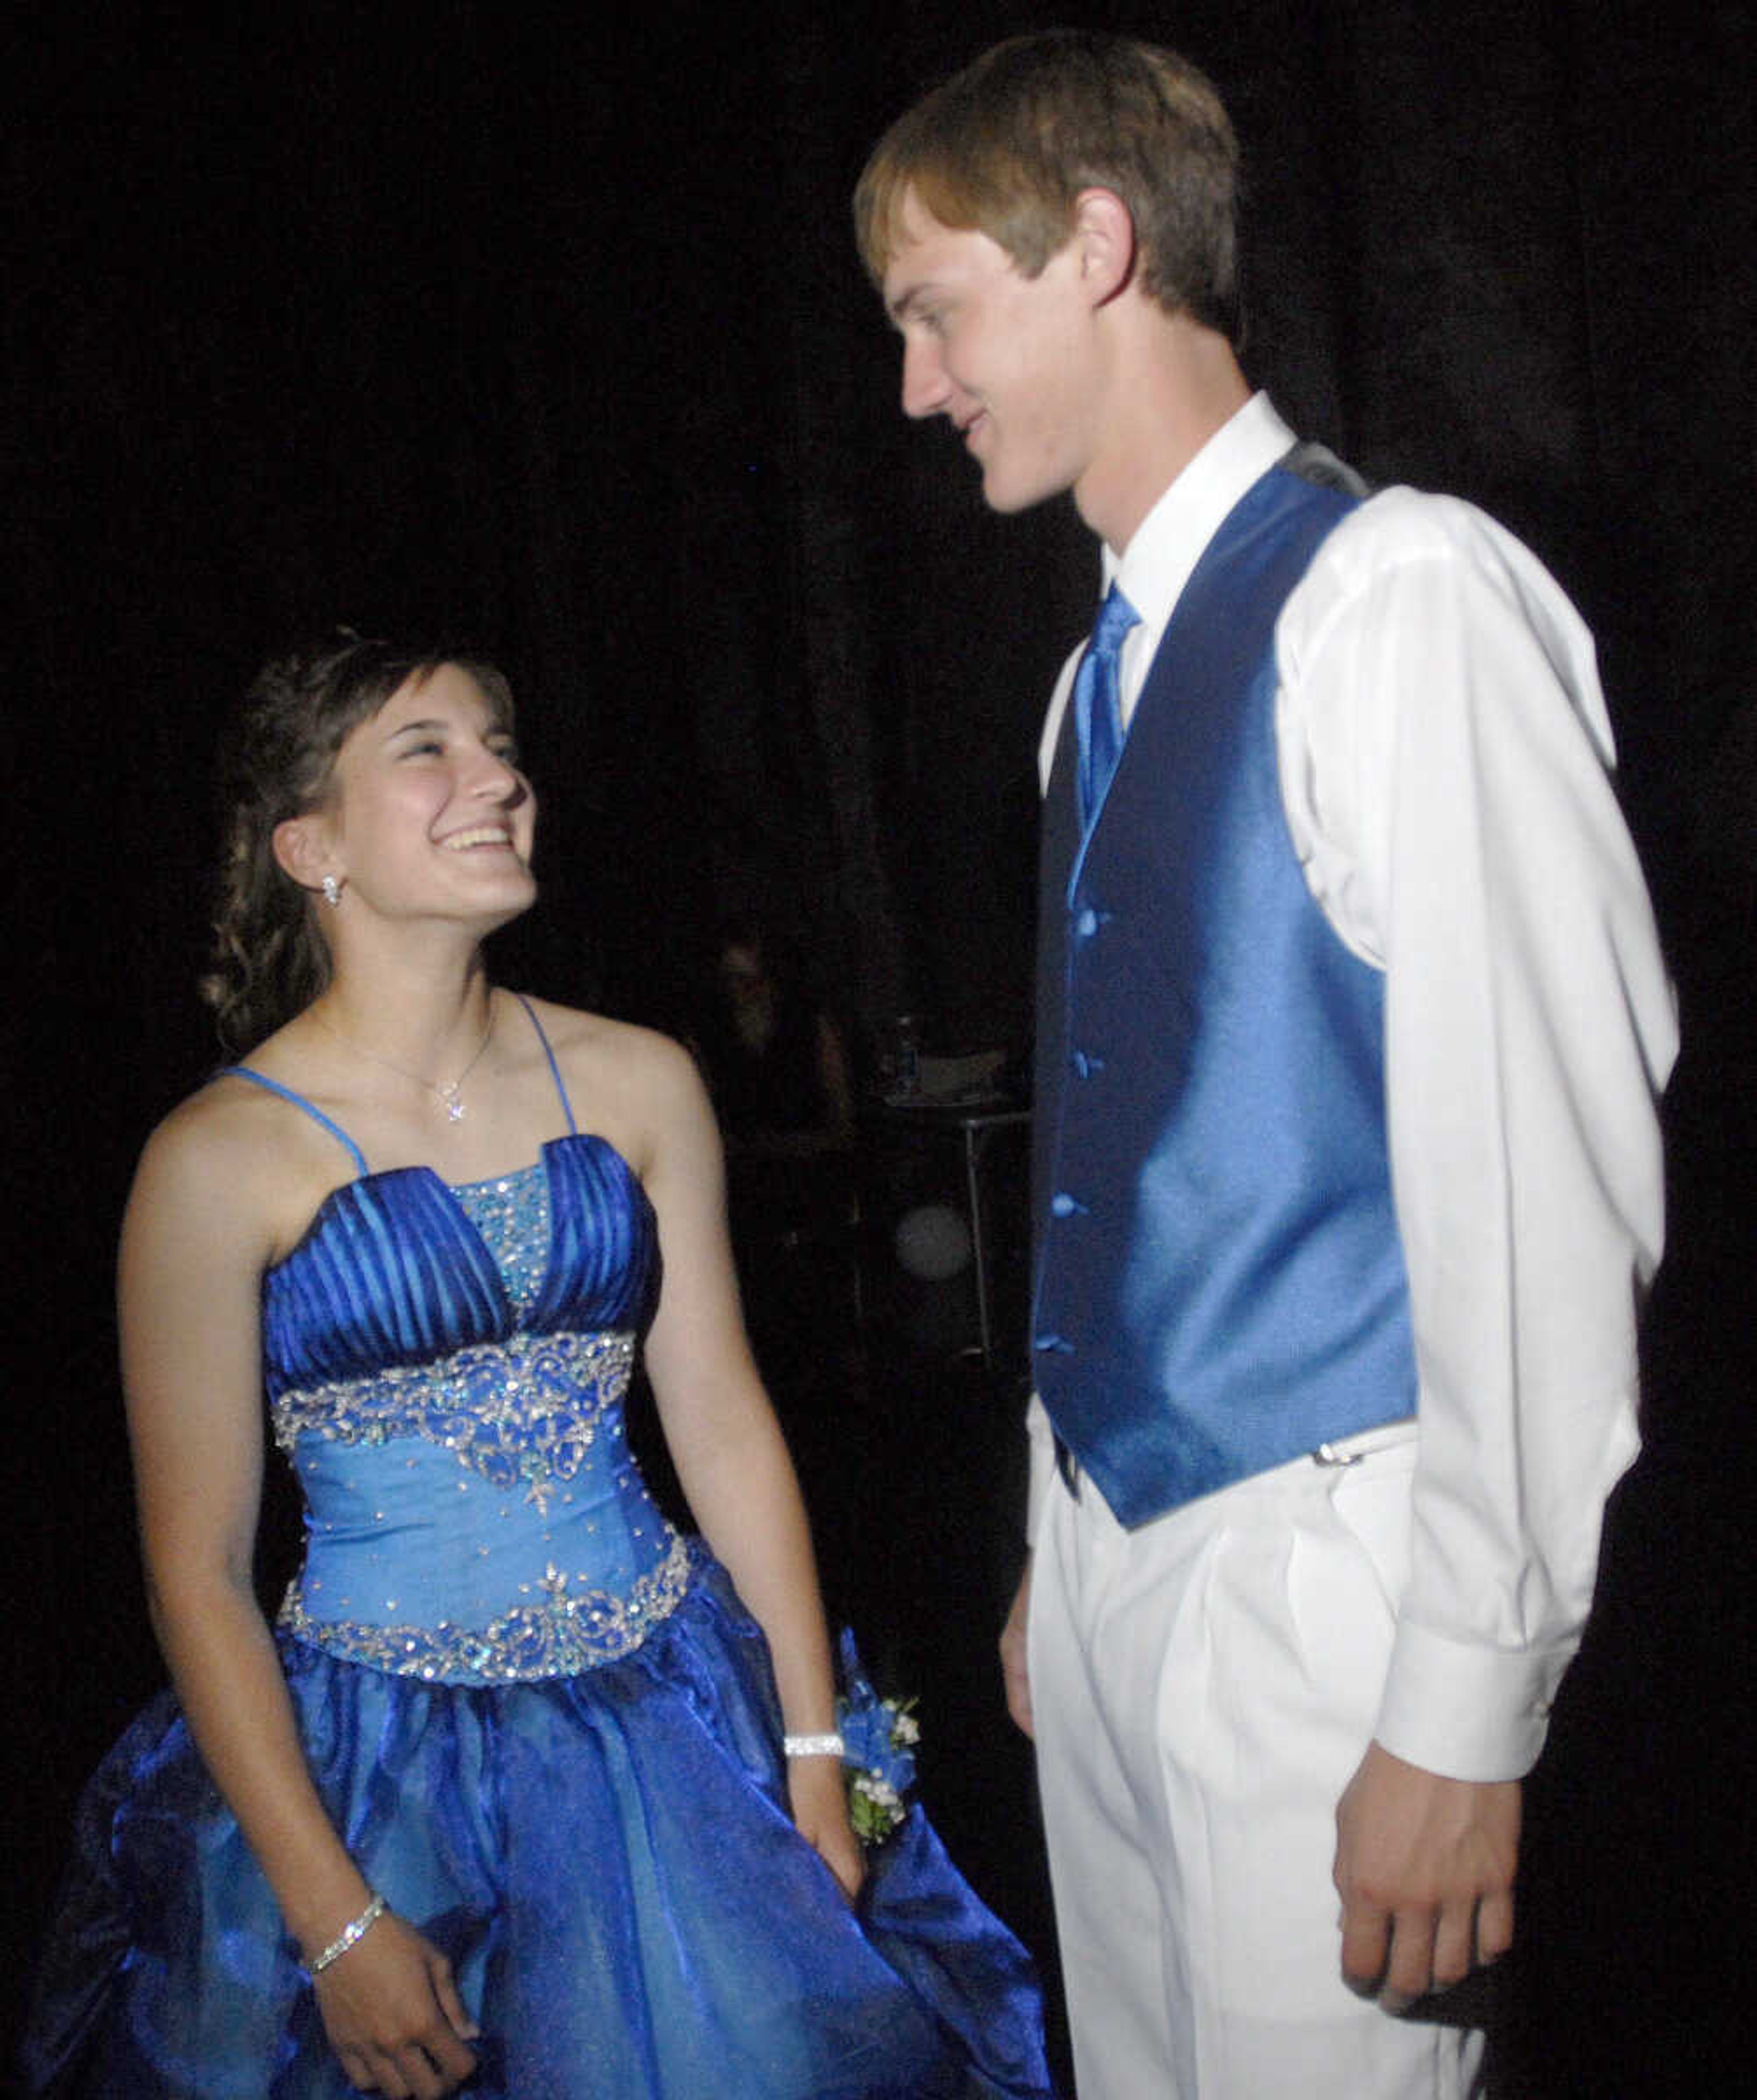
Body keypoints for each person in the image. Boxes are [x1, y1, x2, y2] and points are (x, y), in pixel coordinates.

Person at [855, 30, 1676, 2100]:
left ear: (1097, 246)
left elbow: (1537, 1187)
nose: (916, 387)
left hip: (1340, 1584)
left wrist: (1465, 1696)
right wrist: (1070, 1538)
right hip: (1132, 1577)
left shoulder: (1403, 595)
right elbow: (1119, 1150)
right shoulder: (1085, 687)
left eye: (936, 312)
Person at [21, 632, 1051, 2100]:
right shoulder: (211, 1161)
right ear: (308, 844)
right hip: (375, 1772)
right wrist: (334, 1920)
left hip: (674, 1734)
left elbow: (721, 1420)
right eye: (426, 748)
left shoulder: (641, 1079)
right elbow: (198, 1572)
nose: (498, 775)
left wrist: (814, 1756)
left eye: (500, 743)